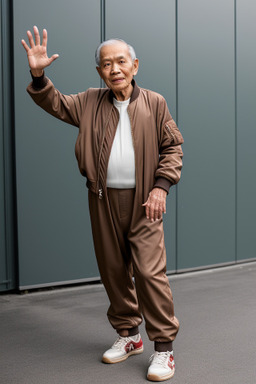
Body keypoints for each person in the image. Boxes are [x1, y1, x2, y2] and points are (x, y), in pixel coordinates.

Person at [22, 26, 184, 382]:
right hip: (102, 200)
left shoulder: (154, 102)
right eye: (106, 64)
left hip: (145, 202)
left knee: (149, 274)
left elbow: (173, 147)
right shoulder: (89, 101)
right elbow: (55, 103)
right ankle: (129, 338)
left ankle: (164, 350)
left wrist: (161, 188)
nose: (114, 69)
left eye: (121, 61)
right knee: (113, 271)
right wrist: (38, 75)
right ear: (99, 72)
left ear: (135, 65)